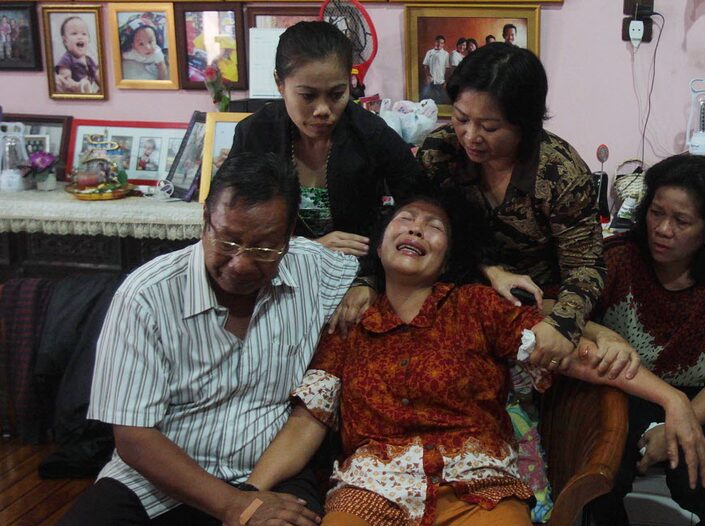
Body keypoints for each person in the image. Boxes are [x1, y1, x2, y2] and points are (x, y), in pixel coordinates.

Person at [215, 195, 705, 526]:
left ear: (448, 256)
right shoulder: (350, 324)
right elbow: (307, 423)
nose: (414, 229)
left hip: (479, 492)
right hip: (368, 494)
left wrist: (671, 398)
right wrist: (246, 501)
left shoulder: (476, 307)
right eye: (404, 220)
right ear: (382, 242)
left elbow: (570, 354)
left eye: (432, 226)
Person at [44, 153, 359, 526]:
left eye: (265, 248)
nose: (242, 264)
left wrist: (363, 287)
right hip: (157, 478)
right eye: (227, 241)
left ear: (289, 233)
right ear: (205, 217)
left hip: (268, 471)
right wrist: (235, 505)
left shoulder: (315, 270)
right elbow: (133, 437)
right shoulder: (147, 296)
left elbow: (378, 270)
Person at [587, 154, 705, 526]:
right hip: (624, 388)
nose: (662, 230)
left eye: (681, 221)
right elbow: (564, 314)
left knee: (704, 479)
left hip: (704, 398)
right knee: (601, 466)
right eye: (656, 213)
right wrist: (600, 332)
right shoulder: (618, 257)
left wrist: (674, 426)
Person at [227, 21, 428, 330]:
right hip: (276, 278)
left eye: (337, 94)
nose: (323, 110)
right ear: (280, 84)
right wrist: (308, 249)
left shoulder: (371, 134)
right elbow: (231, 222)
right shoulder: (256, 134)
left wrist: (369, 277)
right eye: (307, 96)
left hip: (359, 280)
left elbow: (421, 207)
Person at [418, 44, 603, 359]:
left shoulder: (561, 174)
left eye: (489, 127)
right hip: (455, 299)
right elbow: (425, 229)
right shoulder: (440, 152)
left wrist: (561, 323)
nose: (470, 136)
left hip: (535, 306)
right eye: (461, 118)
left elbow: (585, 266)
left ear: (525, 125)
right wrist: (489, 269)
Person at [54, 16, 100, 94]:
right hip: (75, 92)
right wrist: (77, 86)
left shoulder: (89, 60)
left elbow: (96, 76)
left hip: (88, 92)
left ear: (88, 39)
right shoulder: (67, 58)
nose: (80, 37)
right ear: (65, 41)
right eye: (74, 33)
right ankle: (80, 87)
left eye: (84, 34)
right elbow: (65, 81)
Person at [421, 34, 450, 104]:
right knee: (425, 99)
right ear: (435, 42)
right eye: (438, 42)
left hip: (441, 82)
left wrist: (446, 81)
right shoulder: (429, 52)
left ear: (443, 44)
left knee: (443, 101)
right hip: (431, 81)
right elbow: (425, 65)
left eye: (442, 43)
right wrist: (427, 76)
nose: (439, 44)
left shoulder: (446, 54)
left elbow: (447, 68)